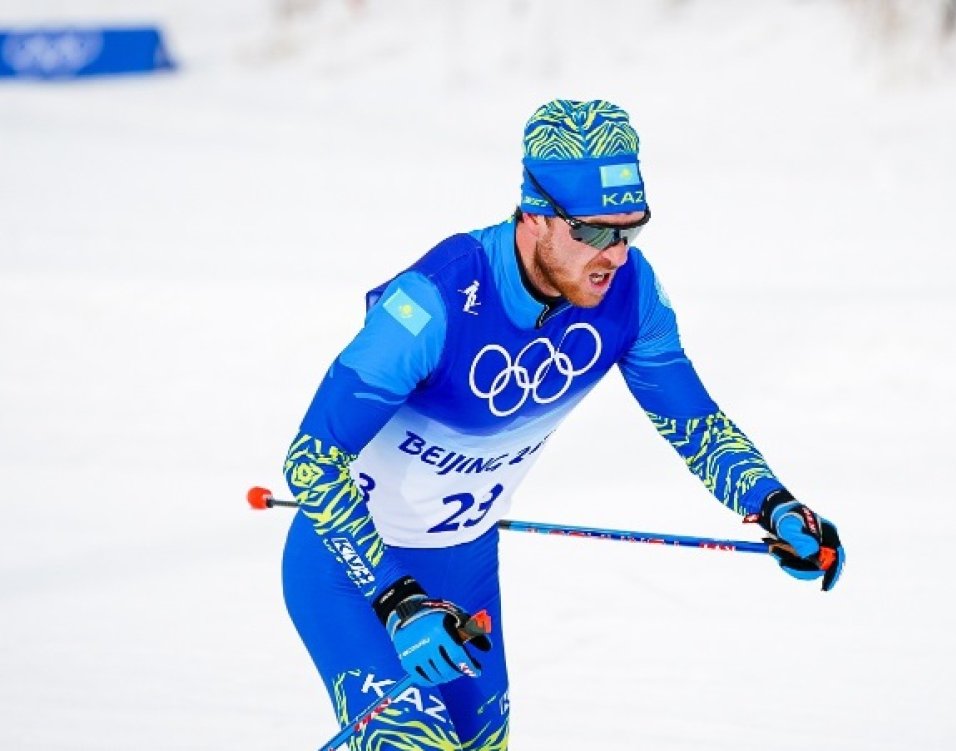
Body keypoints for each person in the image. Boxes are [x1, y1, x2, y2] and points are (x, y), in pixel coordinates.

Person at [280, 98, 845, 750]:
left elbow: (695, 423)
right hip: (353, 566)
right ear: (536, 216)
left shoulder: (630, 296)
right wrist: (395, 598)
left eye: (629, 231)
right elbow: (311, 458)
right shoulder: (433, 300)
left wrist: (772, 503)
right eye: (594, 233)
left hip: (463, 566)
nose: (615, 255)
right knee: (413, 742)